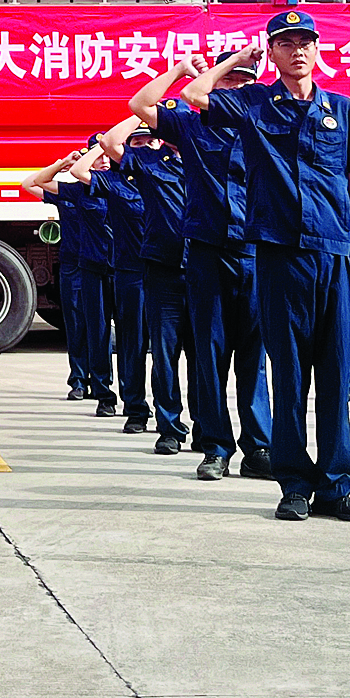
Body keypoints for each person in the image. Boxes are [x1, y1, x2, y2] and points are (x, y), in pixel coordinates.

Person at [169, 12, 350, 522]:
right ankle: (294, 484)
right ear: (272, 52)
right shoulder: (255, 104)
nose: (297, 51)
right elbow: (196, 97)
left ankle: (334, 485)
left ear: (316, 49)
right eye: (286, 43)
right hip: (279, 255)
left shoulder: (342, 110)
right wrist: (236, 63)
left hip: (333, 254)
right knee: (288, 375)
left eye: (305, 42)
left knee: (334, 374)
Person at [132, 57, 272, 483]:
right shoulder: (191, 127)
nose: (233, 89)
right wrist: (183, 72)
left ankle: (258, 447)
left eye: (242, 83)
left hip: (254, 252)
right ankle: (214, 447)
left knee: (254, 358)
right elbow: (141, 103)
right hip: (208, 255)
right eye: (226, 82)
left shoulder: (263, 126)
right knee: (210, 357)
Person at [97, 115, 193, 457]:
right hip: (162, 271)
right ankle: (169, 428)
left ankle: (207, 427)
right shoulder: (151, 165)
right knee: (165, 355)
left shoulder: (210, 159)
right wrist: (142, 118)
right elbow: (110, 143)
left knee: (202, 358)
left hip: (203, 271)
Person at [70, 134, 151, 433]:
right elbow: (77, 173)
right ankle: (109, 396)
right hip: (103, 269)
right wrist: (98, 148)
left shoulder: (148, 177)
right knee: (106, 334)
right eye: (137, 144)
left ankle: (150, 406)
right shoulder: (101, 185)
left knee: (148, 344)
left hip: (146, 271)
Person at [22, 147, 110, 407]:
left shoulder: (112, 189)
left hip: (100, 267)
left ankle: (102, 381)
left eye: (106, 156)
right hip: (73, 265)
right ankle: (79, 381)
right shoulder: (70, 193)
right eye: (97, 157)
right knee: (75, 325)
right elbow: (29, 183)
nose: (103, 162)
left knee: (101, 327)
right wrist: (62, 164)